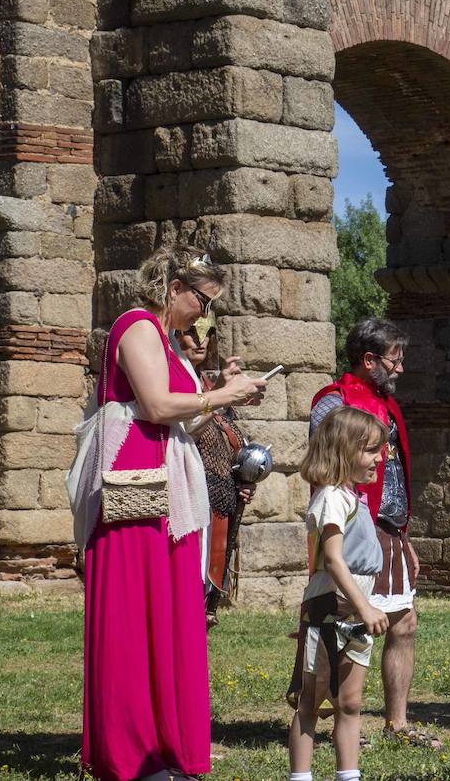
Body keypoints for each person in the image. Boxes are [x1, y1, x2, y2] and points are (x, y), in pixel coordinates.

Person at [70, 244, 265, 781]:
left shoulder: (170, 342)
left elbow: (182, 422)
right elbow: (155, 406)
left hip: (170, 489)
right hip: (136, 486)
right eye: (202, 300)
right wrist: (218, 392)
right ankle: (132, 752)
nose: (205, 314)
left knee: (171, 612)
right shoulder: (136, 326)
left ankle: (167, 745)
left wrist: (226, 398)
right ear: (173, 287)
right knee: (135, 613)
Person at [308, 318, 441, 748]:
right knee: (344, 626)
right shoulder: (334, 402)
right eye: (394, 360)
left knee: (404, 622)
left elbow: (395, 473)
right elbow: (328, 472)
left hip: (392, 530)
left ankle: (396, 723)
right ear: (369, 360)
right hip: (355, 529)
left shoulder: (387, 404)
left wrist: (405, 535)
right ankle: (342, 723)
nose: (400, 369)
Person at [289, 406, 392, 781]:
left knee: (350, 702)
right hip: (332, 611)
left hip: (353, 613)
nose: (379, 458)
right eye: (371, 450)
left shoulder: (351, 497)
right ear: (343, 450)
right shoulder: (332, 497)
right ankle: (301, 776)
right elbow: (332, 560)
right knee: (311, 702)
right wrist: (365, 607)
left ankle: (349, 775)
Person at [174, 313, 255, 626]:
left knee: (205, 600)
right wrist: (220, 396)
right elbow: (182, 436)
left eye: (206, 334)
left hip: (219, 503)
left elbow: (230, 444)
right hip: (187, 503)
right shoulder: (176, 385)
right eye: (192, 333)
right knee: (185, 595)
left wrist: (245, 480)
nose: (200, 341)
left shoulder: (206, 385)